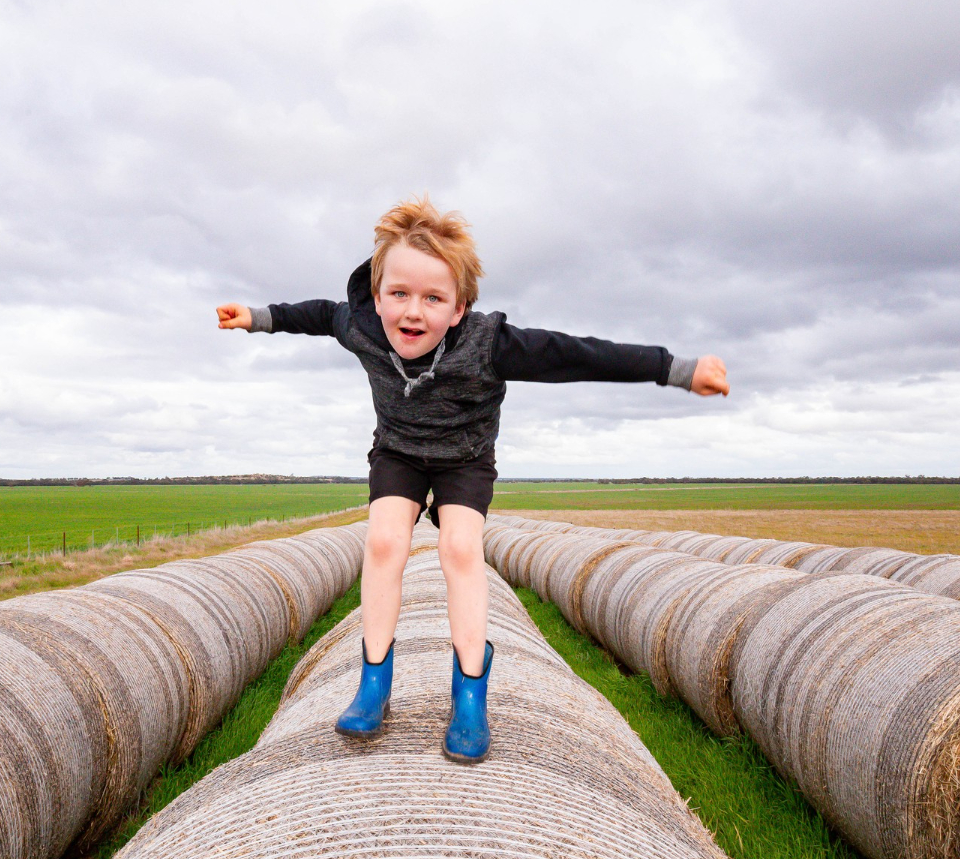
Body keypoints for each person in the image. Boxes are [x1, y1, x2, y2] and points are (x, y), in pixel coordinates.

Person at [216, 196, 729, 763]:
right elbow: (311, 315)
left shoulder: (491, 344)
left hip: (465, 457)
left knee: (460, 549)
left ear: (459, 309)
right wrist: (258, 317)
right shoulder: (358, 324)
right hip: (400, 450)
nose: (413, 312)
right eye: (400, 294)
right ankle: (374, 684)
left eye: (434, 299)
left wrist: (677, 371)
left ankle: (468, 694)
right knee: (384, 541)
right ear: (378, 295)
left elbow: (583, 356)